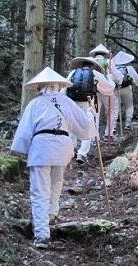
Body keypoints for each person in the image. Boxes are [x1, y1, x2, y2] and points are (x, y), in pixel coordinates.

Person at [10, 67, 97, 249]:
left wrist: (22, 151)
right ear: (58, 86)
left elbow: (25, 132)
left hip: (41, 147)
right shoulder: (66, 102)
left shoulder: (35, 104)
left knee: (40, 190)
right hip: (63, 146)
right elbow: (85, 128)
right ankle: (51, 216)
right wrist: (90, 113)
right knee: (57, 183)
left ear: (40, 86)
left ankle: (42, 234)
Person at [63, 57, 117, 164]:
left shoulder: (73, 72)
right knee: (89, 125)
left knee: (72, 125)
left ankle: (71, 149)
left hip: (72, 102)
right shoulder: (96, 74)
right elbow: (108, 89)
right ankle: (82, 154)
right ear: (93, 65)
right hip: (88, 103)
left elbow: (64, 88)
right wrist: (110, 79)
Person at [90, 44, 123, 142]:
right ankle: (108, 134)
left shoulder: (91, 62)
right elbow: (117, 76)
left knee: (95, 113)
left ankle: (94, 137)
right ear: (105, 54)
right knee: (110, 111)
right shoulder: (108, 62)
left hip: (93, 89)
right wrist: (119, 81)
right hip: (107, 90)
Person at [114, 56, 138, 130]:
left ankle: (113, 127)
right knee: (129, 105)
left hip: (115, 89)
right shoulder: (129, 68)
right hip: (127, 89)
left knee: (115, 108)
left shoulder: (112, 68)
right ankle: (128, 124)